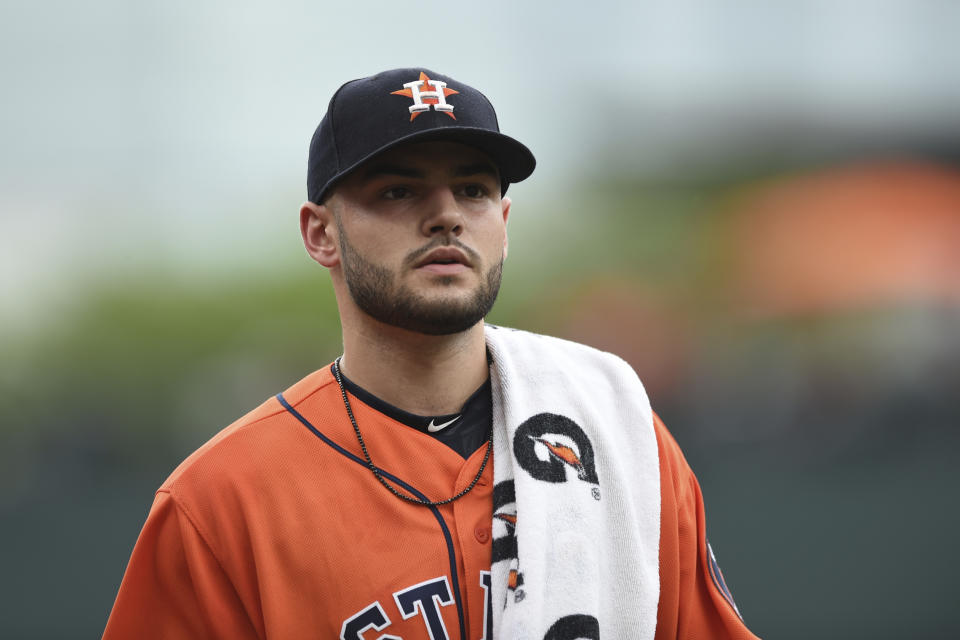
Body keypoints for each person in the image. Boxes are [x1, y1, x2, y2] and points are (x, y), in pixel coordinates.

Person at [103, 68, 759, 640]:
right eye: (398, 191)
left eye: (473, 190)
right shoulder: (220, 501)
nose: (446, 215)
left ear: (504, 224)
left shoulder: (610, 429)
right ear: (320, 233)